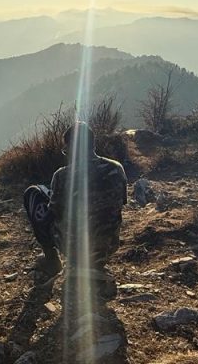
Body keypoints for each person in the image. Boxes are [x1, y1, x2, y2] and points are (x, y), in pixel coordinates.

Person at [23, 121, 127, 299]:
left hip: (75, 247)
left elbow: (54, 213)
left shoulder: (62, 175)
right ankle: (96, 263)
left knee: (33, 193)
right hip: (109, 244)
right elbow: (120, 203)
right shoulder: (117, 168)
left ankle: (52, 261)